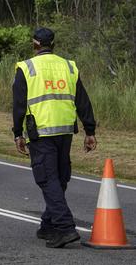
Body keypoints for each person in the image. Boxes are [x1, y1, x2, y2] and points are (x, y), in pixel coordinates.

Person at [13, 28, 97, 248]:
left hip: (40, 133)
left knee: (47, 179)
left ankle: (65, 227)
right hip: (65, 131)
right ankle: (48, 225)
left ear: (35, 45)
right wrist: (90, 131)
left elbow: (19, 105)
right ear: (53, 44)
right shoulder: (69, 66)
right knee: (59, 179)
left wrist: (17, 134)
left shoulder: (26, 67)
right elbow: (83, 100)